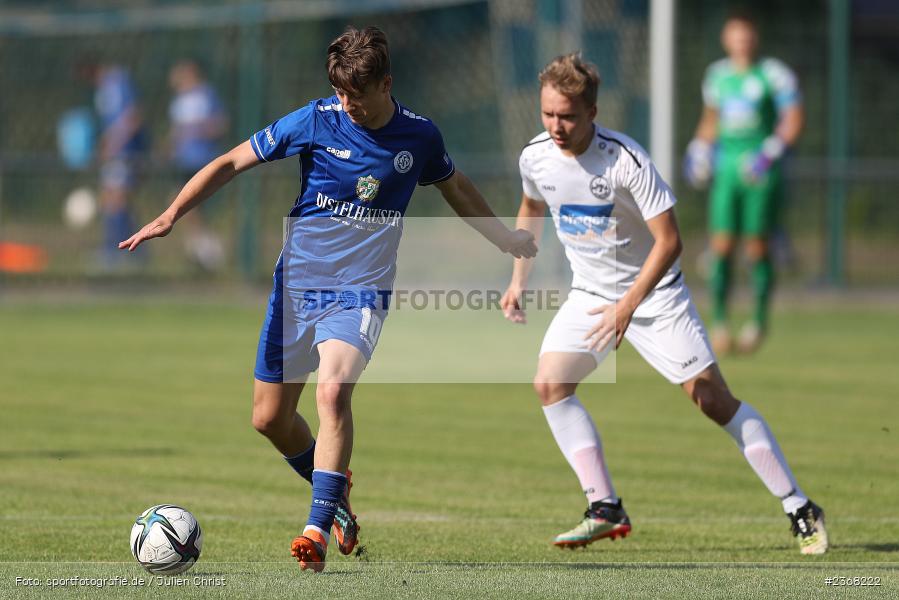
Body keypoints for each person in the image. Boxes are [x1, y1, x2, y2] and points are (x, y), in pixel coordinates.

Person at [120, 26, 537, 572]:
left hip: (360, 291)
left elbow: (455, 186)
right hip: (296, 285)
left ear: (386, 83)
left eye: (357, 96)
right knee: (270, 419)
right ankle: (335, 494)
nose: (347, 105)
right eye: (340, 94)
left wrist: (504, 237)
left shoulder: (419, 136)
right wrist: (173, 213)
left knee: (334, 391)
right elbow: (229, 162)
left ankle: (314, 529)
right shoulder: (315, 119)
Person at [500, 53, 826, 555]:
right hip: (591, 296)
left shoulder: (625, 160)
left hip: (657, 297)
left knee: (713, 401)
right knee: (550, 383)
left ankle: (799, 506)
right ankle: (605, 506)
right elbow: (531, 205)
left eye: (567, 115)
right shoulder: (536, 155)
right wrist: (517, 276)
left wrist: (629, 305)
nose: (556, 126)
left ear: (592, 111)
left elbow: (670, 242)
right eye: (547, 114)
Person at [684, 12, 804, 354]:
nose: (742, 42)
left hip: (761, 171)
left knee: (757, 248)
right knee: (720, 247)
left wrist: (770, 152)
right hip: (727, 172)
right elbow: (710, 121)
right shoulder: (717, 76)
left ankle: (758, 322)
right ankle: (720, 322)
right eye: (735, 36)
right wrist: (699, 148)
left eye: (747, 36)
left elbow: (793, 119)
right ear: (727, 39)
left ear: (755, 38)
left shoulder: (773, 74)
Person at [167, 59, 229, 271]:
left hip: (203, 159)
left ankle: (205, 250)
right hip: (183, 161)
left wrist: (199, 130)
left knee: (187, 205)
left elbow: (220, 123)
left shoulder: (206, 95)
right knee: (183, 206)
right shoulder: (178, 101)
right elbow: (177, 132)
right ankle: (203, 250)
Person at [94, 63, 148, 266]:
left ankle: (120, 251)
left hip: (123, 154)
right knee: (111, 199)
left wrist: (113, 144)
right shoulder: (106, 88)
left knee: (116, 200)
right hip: (116, 154)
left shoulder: (119, 83)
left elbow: (133, 118)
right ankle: (125, 251)